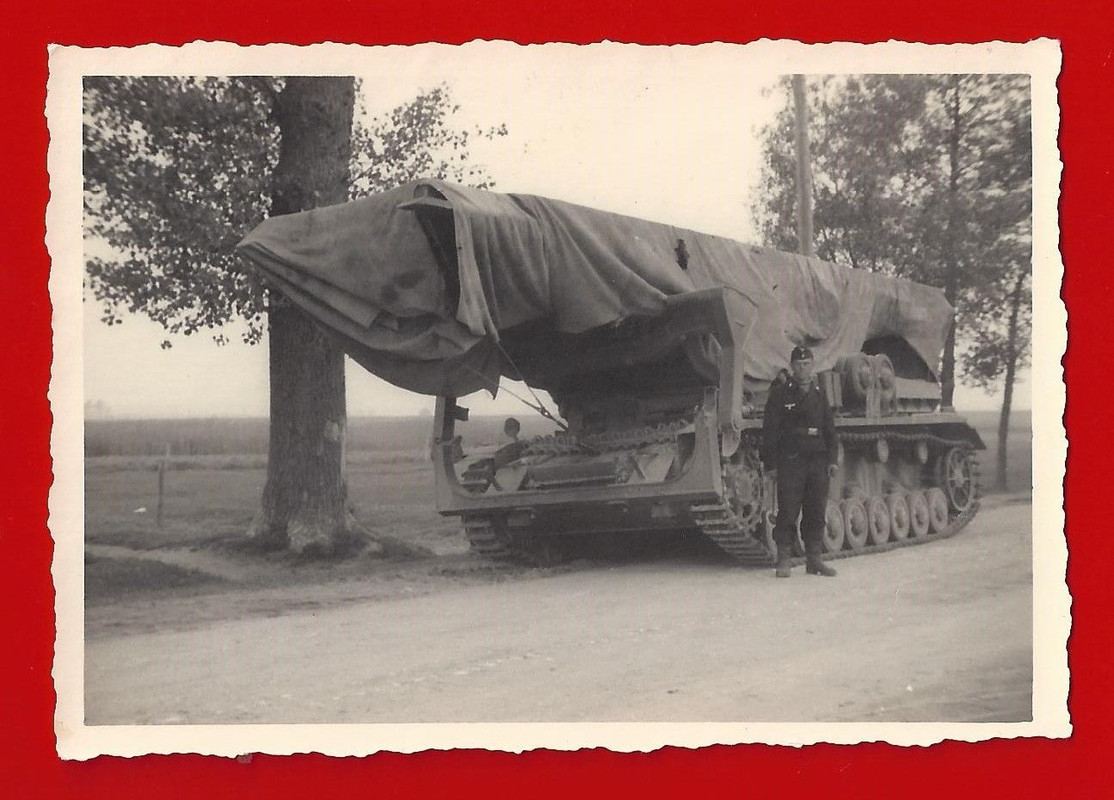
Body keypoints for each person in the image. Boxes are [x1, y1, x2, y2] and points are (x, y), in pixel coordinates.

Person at [761, 346, 839, 578]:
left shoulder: (819, 393)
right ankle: (784, 559)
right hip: (791, 460)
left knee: (816, 508)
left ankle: (814, 559)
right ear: (792, 366)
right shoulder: (780, 394)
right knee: (788, 509)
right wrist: (771, 465)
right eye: (798, 364)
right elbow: (770, 431)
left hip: (817, 459)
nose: (802, 368)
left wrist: (832, 459)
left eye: (806, 364)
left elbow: (830, 429)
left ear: (812, 365)